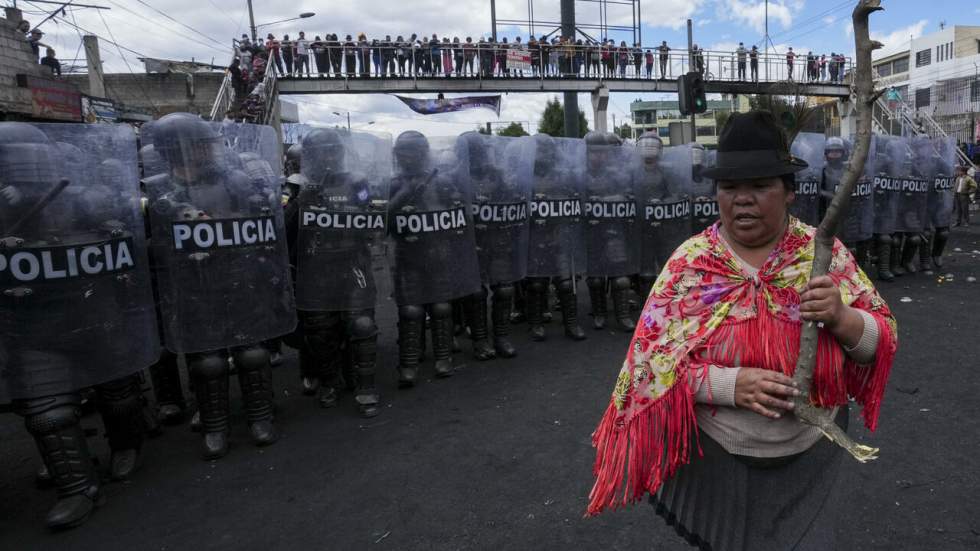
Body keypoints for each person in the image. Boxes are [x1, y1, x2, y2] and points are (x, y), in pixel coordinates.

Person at [589, 111, 898, 551]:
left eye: (760, 186)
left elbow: (879, 342)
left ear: (789, 192)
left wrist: (843, 317)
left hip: (810, 452)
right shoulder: (690, 265)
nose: (743, 200)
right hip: (719, 457)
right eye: (730, 188)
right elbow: (646, 369)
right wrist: (729, 385)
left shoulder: (822, 256)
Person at [2, 123, 161, 529]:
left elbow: (125, 247)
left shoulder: (88, 201)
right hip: (33, 324)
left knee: (117, 391)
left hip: (93, 312)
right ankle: (76, 486)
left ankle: (127, 445)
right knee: (47, 412)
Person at [143, 114, 295, 459]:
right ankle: (214, 423)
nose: (210, 151)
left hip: (238, 279)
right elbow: (144, 248)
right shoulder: (155, 190)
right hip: (193, 286)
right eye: (202, 145)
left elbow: (267, 229)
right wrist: (175, 231)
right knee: (206, 360)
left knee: (251, 354)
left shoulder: (237, 183)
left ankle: (260, 415)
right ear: (180, 150)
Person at [285, 129, 383, 416]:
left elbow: (375, 217)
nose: (329, 157)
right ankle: (330, 381)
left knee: (362, 323)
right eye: (323, 152)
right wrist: (301, 201)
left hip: (352, 264)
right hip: (316, 268)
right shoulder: (299, 186)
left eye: (333, 151)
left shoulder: (357, 182)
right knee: (320, 329)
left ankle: (365, 386)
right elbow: (285, 230)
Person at [388, 131, 482, 385]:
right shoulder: (394, 183)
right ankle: (408, 362)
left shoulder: (441, 182)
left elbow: (459, 216)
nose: (408, 157)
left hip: (438, 254)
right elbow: (383, 220)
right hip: (407, 256)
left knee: (441, 308)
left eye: (412, 151)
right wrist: (404, 193)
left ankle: (443, 357)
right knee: (410, 310)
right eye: (403, 152)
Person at [524, 134, 587, 341]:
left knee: (566, 282)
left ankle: (571, 323)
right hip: (536, 237)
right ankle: (535, 324)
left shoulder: (564, 176)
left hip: (559, 235)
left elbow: (576, 202)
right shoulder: (523, 178)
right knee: (536, 284)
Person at [583, 131, 638, 332]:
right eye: (594, 152)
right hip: (591, 232)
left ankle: (623, 315)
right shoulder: (580, 175)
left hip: (615, 229)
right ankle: (599, 313)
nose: (599, 156)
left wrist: (610, 200)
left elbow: (630, 196)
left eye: (602, 152)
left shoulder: (618, 174)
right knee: (595, 278)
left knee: (621, 278)